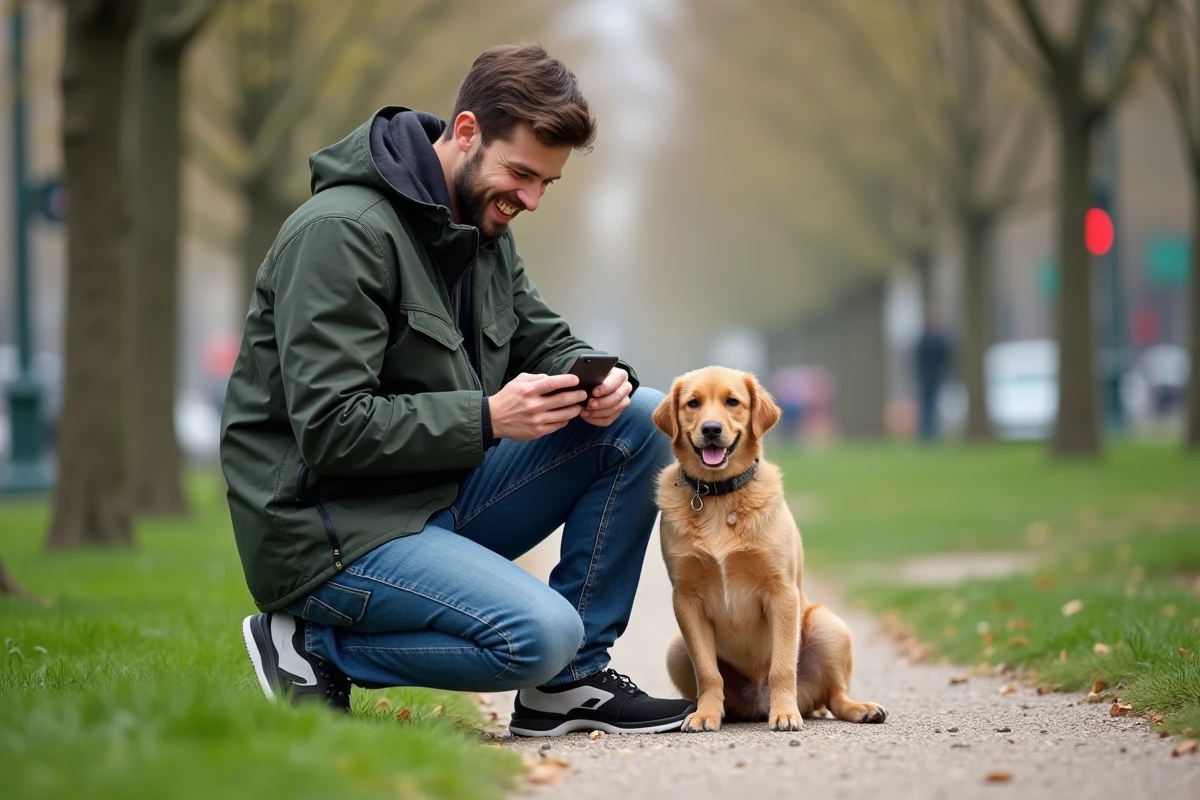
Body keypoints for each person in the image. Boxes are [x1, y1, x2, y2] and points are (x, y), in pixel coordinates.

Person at [220, 44, 694, 736]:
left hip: (430, 494)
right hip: (330, 531)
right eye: (523, 174)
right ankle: (307, 642)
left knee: (643, 421)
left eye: (547, 185)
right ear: (466, 132)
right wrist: (489, 419)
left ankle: (570, 686)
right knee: (539, 635)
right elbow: (330, 429)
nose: (530, 200)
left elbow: (545, 340)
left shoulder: (480, 228)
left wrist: (600, 379)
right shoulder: (340, 234)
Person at [913, 310, 952, 442]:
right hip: (929, 377)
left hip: (931, 377)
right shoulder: (932, 339)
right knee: (929, 406)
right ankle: (929, 433)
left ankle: (931, 434)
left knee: (931, 405)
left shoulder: (928, 339)